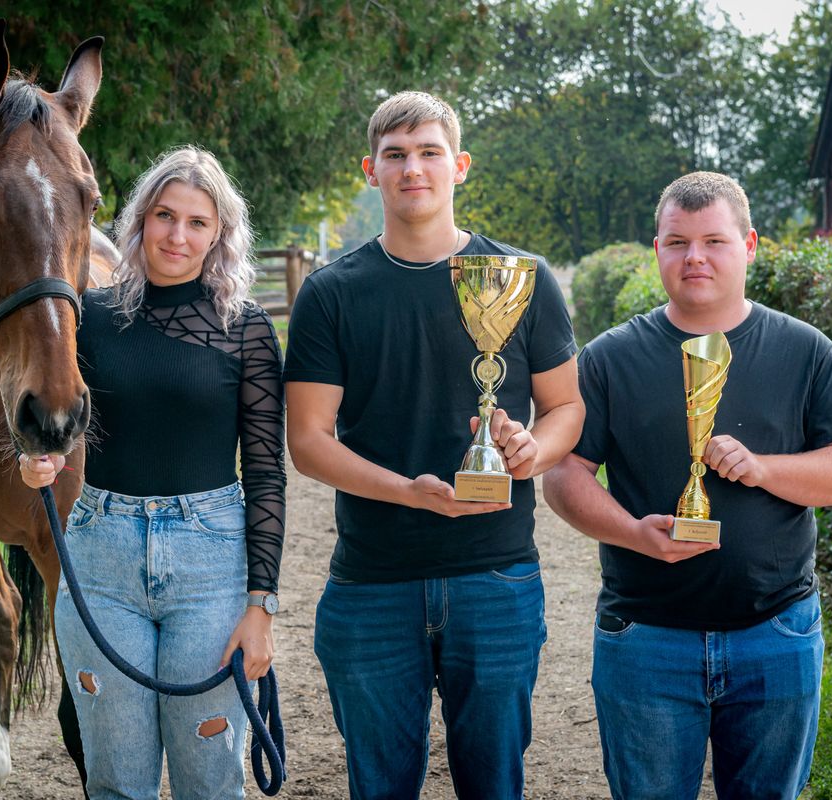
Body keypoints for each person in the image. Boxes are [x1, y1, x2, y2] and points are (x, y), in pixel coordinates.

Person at [283, 91, 584, 799]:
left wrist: (529, 453)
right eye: (395, 155)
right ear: (370, 169)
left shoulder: (524, 278)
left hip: (498, 574)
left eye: (428, 153)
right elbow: (307, 440)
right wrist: (406, 491)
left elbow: (566, 407)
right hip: (373, 579)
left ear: (460, 166)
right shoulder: (330, 293)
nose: (411, 168)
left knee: (495, 785)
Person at [543, 171, 832, 800]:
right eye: (677, 242)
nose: (694, 257)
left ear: (749, 245)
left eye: (714, 241)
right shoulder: (611, 357)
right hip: (645, 638)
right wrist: (632, 534)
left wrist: (766, 468)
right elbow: (564, 475)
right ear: (657, 249)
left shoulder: (805, 351)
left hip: (776, 635)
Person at [19, 145, 285, 799]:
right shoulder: (92, 317)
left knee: (209, 781)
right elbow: (53, 414)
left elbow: (266, 473)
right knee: (115, 780)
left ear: (220, 233)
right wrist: (35, 458)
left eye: (197, 222)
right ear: (140, 220)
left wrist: (261, 606)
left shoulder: (245, 329)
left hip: (210, 563)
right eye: (165, 215)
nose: (178, 234)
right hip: (101, 559)